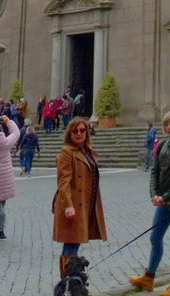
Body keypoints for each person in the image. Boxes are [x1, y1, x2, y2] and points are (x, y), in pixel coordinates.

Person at [129, 110, 170, 296]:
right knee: (155, 237)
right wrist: (154, 194)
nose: (168, 128)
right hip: (163, 201)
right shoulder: (163, 145)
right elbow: (154, 171)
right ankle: (149, 277)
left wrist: (166, 196)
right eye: (166, 125)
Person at [53, 117, 106, 277]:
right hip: (73, 206)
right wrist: (68, 205)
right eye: (75, 131)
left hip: (86, 205)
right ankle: (69, 285)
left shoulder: (87, 151)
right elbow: (63, 182)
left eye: (82, 130)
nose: (79, 133)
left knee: (73, 247)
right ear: (69, 133)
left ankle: (71, 285)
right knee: (71, 246)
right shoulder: (66, 153)